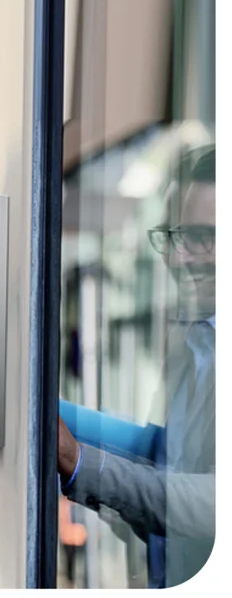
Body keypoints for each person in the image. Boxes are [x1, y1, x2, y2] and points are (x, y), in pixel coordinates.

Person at [56, 144, 215, 588]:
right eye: (172, 236)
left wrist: (78, 461)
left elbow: (212, 503)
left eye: (202, 237)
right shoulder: (193, 341)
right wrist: (51, 413)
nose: (179, 258)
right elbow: (164, 455)